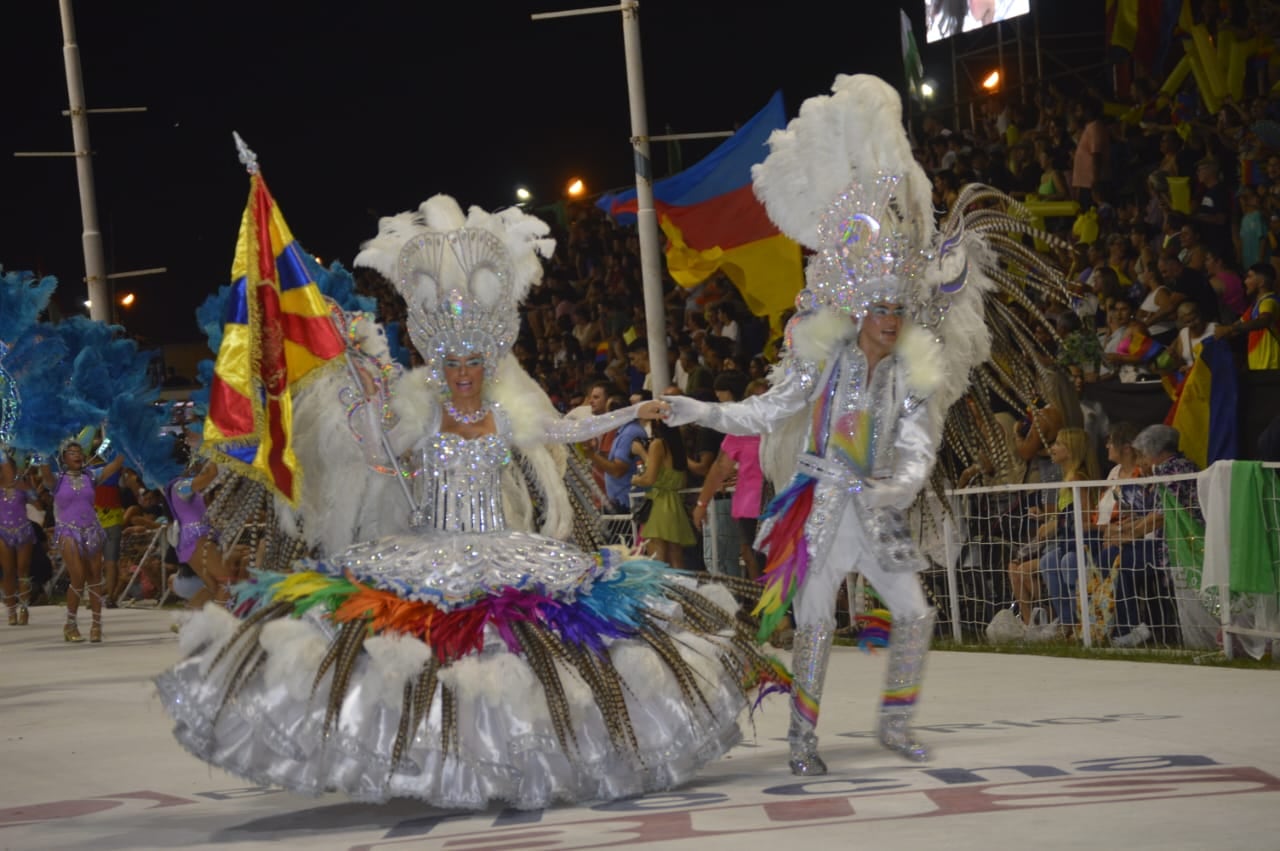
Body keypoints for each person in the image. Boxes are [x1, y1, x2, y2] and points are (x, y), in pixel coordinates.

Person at [156, 195, 781, 810]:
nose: (462, 371)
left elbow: (564, 428)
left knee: (532, 653)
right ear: (438, 360)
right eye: (451, 361)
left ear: (488, 360)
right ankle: (431, 762)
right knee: (416, 654)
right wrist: (352, 386)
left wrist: (630, 410)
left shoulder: (508, 415)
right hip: (426, 548)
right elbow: (373, 448)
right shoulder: (418, 414)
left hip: (505, 549)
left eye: (472, 360)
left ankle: (515, 761)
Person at [39, 441, 124, 642]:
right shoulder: (57, 480)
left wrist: (125, 442)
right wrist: (40, 447)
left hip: (92, 530)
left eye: (79, 452)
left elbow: (115, 464)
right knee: (77, 576)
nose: (77, 455)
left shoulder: (91, 476)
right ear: (64, 458)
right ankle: (70, 623)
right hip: (68, 531)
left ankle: (96, 625)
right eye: (71, 452)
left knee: (95, 577)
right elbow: (45, 474)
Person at [692, 371, 765, 580]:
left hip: (783, 503)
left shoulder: (784, 428)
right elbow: (720, 467)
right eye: (757, 399)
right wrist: (701, 504)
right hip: (751, 507)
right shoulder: (740, 430)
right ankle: (770, 610)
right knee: (757, 561)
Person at [630, 418, 695, 568]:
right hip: (675, 505)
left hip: (659, 506)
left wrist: (635, 480)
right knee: (676, 558)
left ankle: (662, 592)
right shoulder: (677, 446)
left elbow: (649, 479)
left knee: (657, 561)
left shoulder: (658, 444)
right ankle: (682, 590)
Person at [1215, 262, 1280, 370]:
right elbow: (1235, 329)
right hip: (1260, 369)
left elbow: (1263, 321)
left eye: (1249, 277)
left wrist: (1229, 328)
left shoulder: (1269, 302)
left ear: (1261, 282)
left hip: (1271, 368)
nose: (1245, 282)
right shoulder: (1254, 306)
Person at [0, 449, 35, 626]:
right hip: (3, 531)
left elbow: (38, 502)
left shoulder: (22, 486)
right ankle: (11, 610)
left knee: (23, 571)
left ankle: (24, 608)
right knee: (8, 572)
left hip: (23, 530)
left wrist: (29, 486)